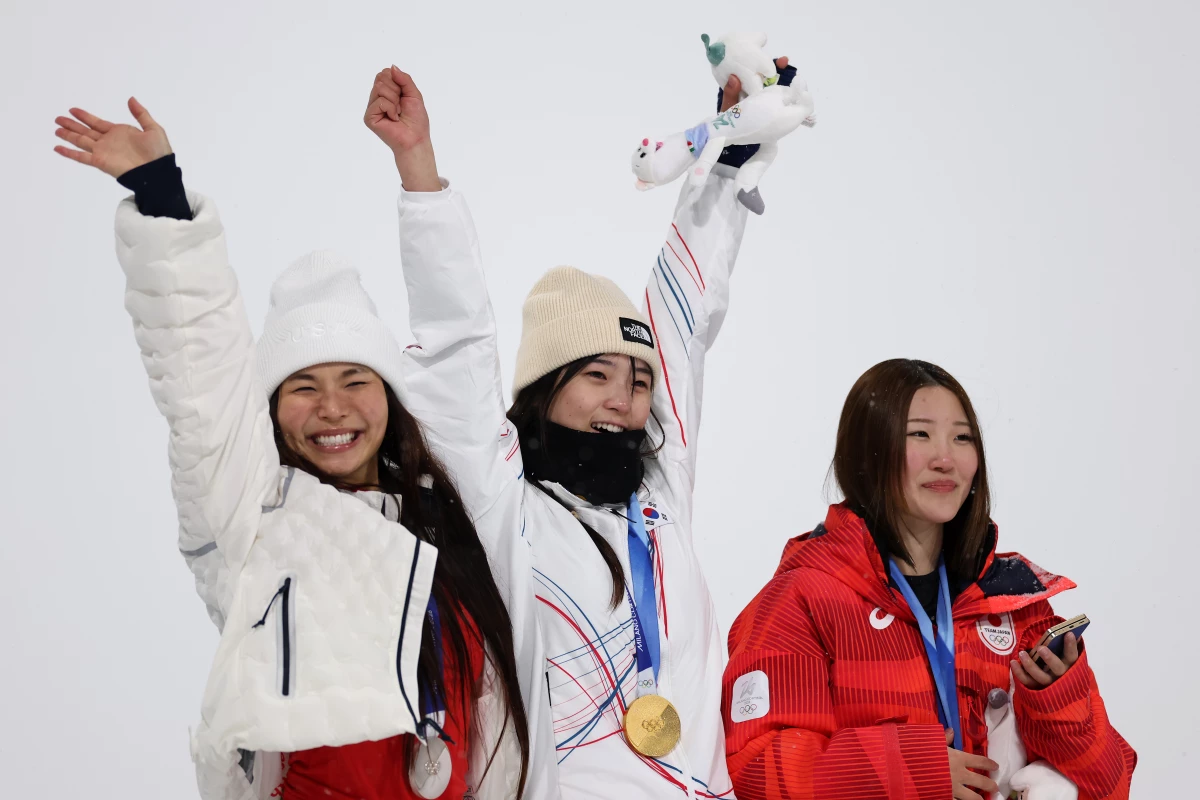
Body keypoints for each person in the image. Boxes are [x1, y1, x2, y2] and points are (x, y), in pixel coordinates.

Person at [53, 90, 530, 800]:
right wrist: (160, 197)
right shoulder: (251, 514)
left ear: (389, 398)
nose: (332, 407)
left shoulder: (443, 527)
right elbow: (199, 371)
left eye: (354, 380)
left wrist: (418, 165)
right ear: (270, 410)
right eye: (302, 386)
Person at [362, 58, 797, 800]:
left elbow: (684, 317)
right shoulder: (507, 507)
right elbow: (457, 347)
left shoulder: (660, 486)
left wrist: (725, 157)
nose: (623, 402)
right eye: (596, 376)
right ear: (541, 393)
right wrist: (419, 170)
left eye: (636, 381)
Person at [721, 359, 1137, 800]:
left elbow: (1112, 788)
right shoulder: (802, 598)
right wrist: (912, 770)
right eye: (920, 434)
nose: (945, 459)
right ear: (867, 452)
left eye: (962, 438)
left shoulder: (1012, 601)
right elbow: (761, 773)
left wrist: (1057, 704)